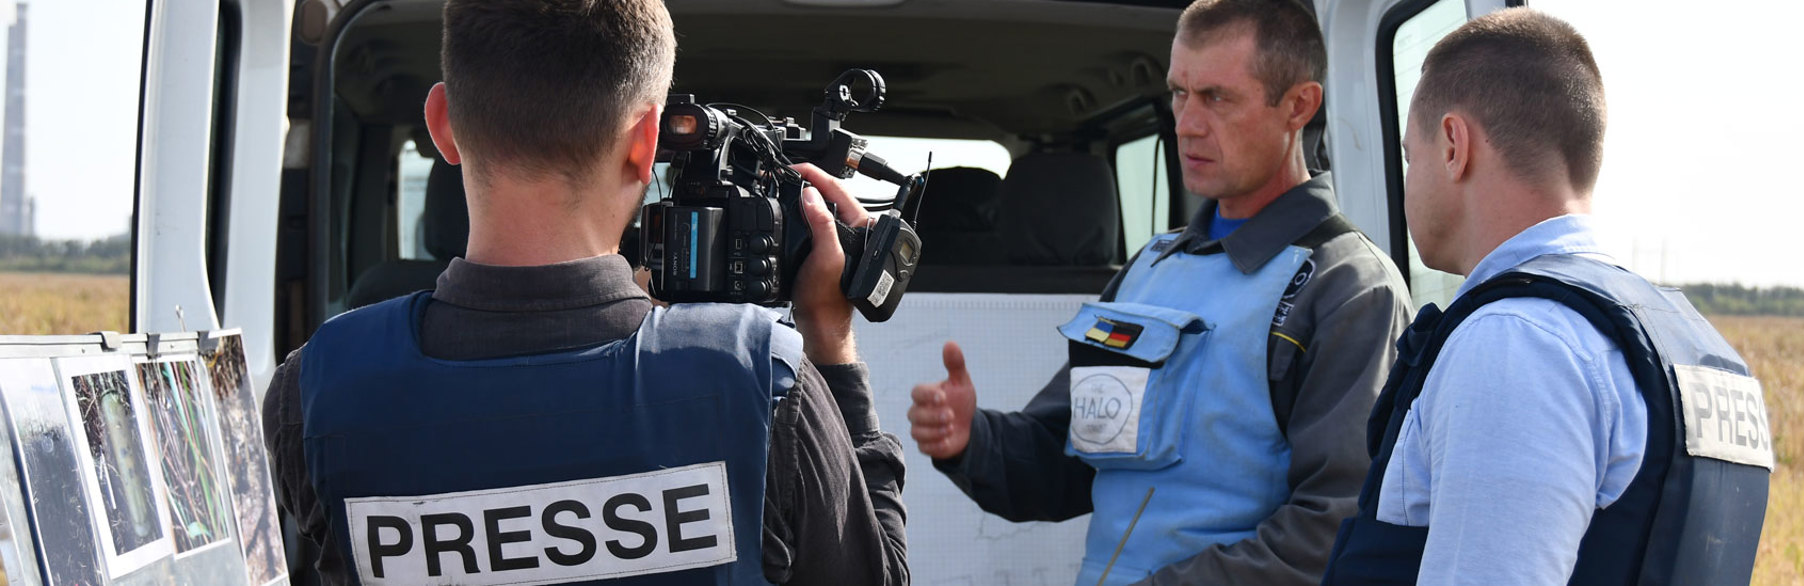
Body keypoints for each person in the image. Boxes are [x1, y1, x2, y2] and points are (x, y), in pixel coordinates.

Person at [260, 1, 909, 584]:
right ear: (645, 143)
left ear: (442, 124)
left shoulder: (313, 390)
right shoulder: (761, 378)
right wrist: (830, 338)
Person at [905, 1, 1410, 584]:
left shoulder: (1346, 288)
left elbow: (1332, 529)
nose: (1187, 123)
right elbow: (1071, 457)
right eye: (1178, 93)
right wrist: (973, 440)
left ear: (1299, 106)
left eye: (1217, 97)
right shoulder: (1151, 268)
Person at [1320, 8, 1772, 585]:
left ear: (1455, 145)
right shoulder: (1696, 349)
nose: (1410, 177)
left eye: (1412, 156)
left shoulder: (1516, 341)